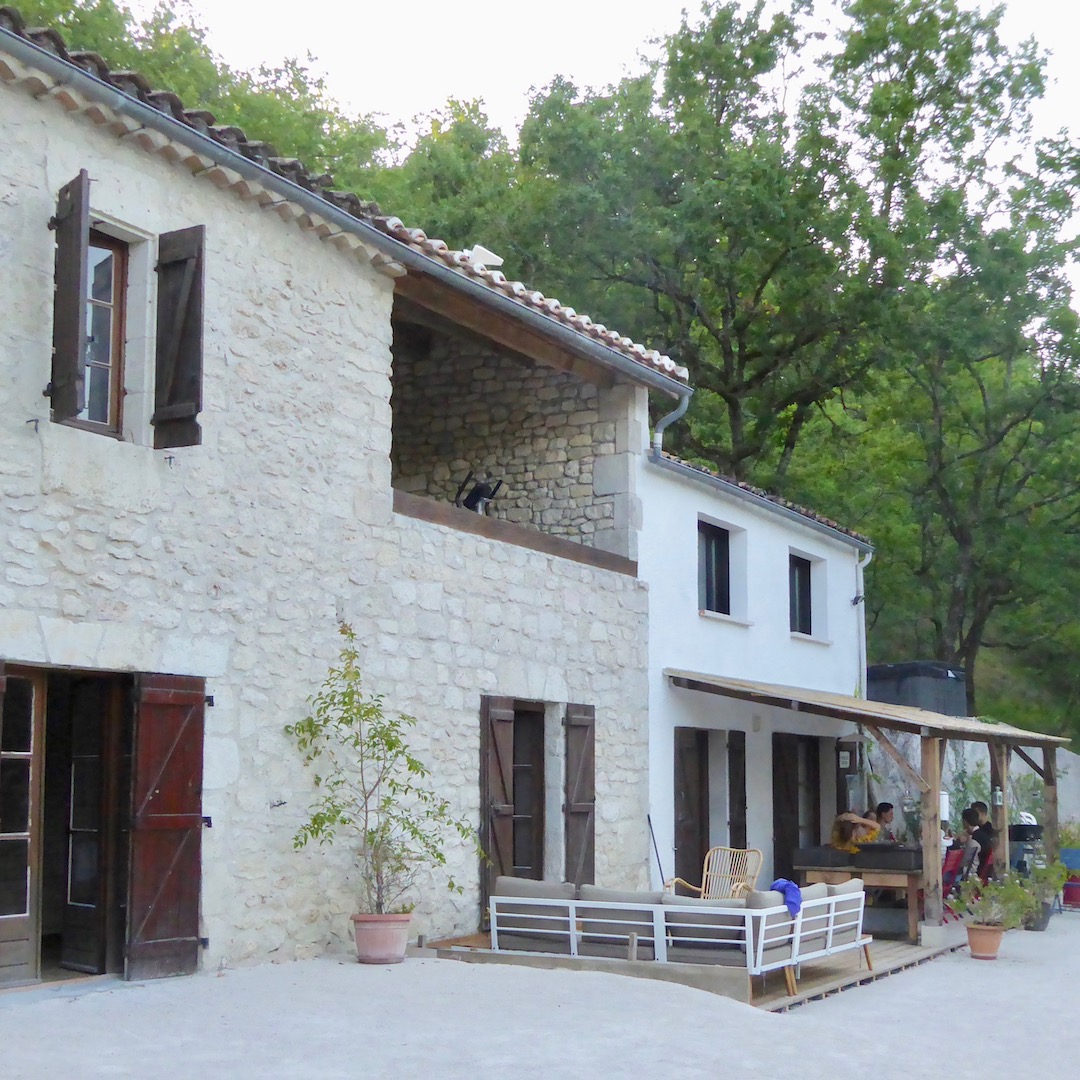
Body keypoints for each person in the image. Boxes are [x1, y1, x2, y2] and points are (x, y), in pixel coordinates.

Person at [956, 806, 992, 885]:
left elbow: (965, 862)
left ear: (965, 822)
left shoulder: (974, 839)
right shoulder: (982, 835)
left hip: (975, 873)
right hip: (984, 872)